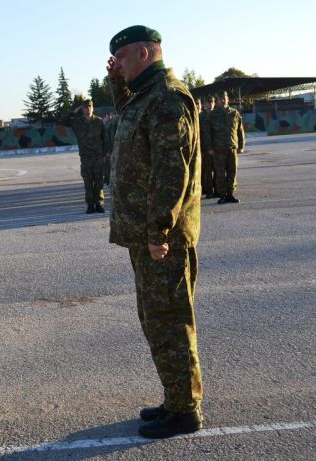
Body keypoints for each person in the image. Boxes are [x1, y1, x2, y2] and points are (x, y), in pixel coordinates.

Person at [107, 25, 203, 439]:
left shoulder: (166, 99)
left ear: (144, 54)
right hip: (145, 233)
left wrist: (159, 231)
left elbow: (171, 171)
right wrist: (117, 83)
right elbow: (131, 121)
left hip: (162, 237)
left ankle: (185, 411)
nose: (118, 64)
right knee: (156, 320)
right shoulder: (147, 96)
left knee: (170, 321)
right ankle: (175, 398)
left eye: (122, 57)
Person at [60, 100, 106, 213]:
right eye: (85, 107)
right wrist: (73, 112)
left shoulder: (99, 121)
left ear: (93, 108)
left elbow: (105, 138)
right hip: (86, 157)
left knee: (99, 181)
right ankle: (90, 205)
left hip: (98, 156)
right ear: (82, 109)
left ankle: (99, 204)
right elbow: (62, 121)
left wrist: (106, 154)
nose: (88, 109)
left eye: (90, 106)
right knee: (88, 182)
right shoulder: (77, 122)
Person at [208, 91, 245, 204]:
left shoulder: (234, 113)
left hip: (232, 148)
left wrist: (241, 145)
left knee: (232, 172)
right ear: (217, 101)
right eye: (220, 99)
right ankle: (222, 195)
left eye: (224, 98)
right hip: (218, 150)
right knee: (220, 174)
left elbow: (240, 130)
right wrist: (210, 147)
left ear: (228, 99)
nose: (223, 101)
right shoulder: (212, 115)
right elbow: (208, 133)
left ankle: (230, 194)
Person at [199, 97, 216, 198]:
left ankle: (218, 190)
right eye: (208, 102)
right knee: (207, 171)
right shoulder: (200, 117)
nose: (210, 104)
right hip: (205, 149)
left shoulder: (217, 115)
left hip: (218, 147)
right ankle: (209, 190)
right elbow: (198, 134)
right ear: (204, 104)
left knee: (218, 171)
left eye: (212, 102)